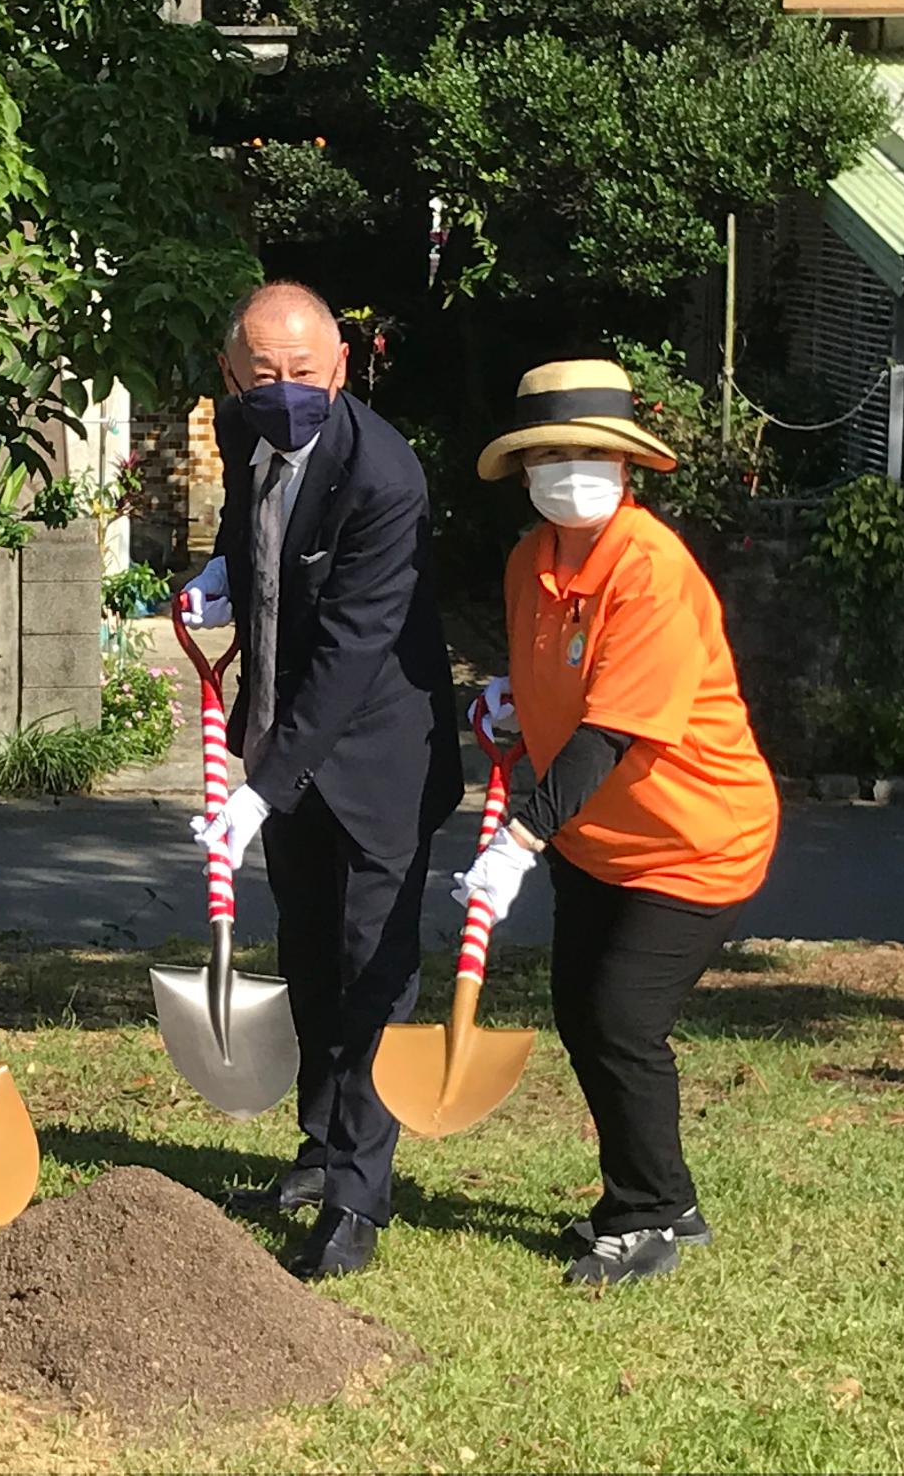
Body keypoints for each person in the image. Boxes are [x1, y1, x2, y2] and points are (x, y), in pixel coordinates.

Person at [456, 358, 780, 1286]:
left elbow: (612, 735)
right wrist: (509, 701)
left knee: (621, 1017)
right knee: (578, 1012)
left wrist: (516, 840)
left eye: (590, 452)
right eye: (551, 454)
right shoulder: (531, 562)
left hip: (693, 839)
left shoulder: (650, 568)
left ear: (627, 464)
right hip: (595, 838)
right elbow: (560, 680)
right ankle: (659, 1197)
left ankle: (647, 1218)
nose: (571, 471)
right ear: (525, 471)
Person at [186, 281, 463, 1279]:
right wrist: (220, 570)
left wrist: (261, 788)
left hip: (379, 759)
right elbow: (252, 531)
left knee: (369, 974)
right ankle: (317, 1144)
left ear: (339, 368)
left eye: (305, 373)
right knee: (306, 956)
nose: (285, 391)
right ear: (233, 375)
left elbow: (352, 648)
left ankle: (355, 1195)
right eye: (264, 375)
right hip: (282, 743)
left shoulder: (383, 478)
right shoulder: (239, 429)